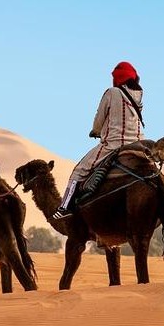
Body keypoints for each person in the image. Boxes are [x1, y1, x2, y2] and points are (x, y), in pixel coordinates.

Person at [54, 61, 144, 220]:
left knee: (78, 171)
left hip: (114, 144)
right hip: (139, 145)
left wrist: (95, 131)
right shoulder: (140, 95)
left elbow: (99, 119)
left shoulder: (112, 92)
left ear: (117, 78)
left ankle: (64, 207)